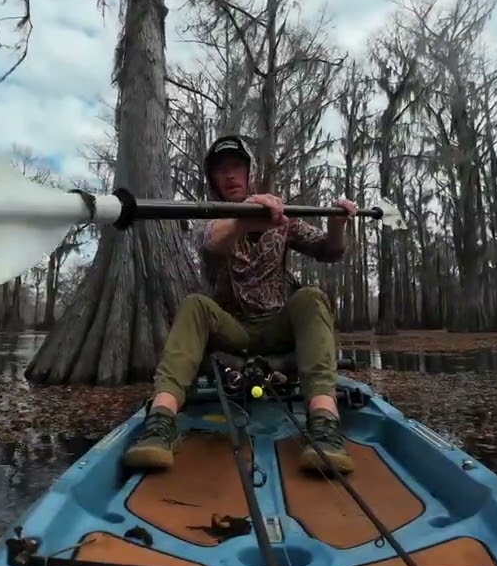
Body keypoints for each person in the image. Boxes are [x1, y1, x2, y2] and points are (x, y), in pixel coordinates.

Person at [122, 134, 358, 474]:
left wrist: (337, 226)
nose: (229, 175)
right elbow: (212, 244)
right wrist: (245, 221)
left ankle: (324, 425)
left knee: (311, 298)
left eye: (236, 167)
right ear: (213, 179)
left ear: (250, 172)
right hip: (232, 332)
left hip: (277, 326)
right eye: (221, 170)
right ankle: (161, 422)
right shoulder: (208, 217)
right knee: (195, 304)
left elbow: (329, 251)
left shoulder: (284, 219)